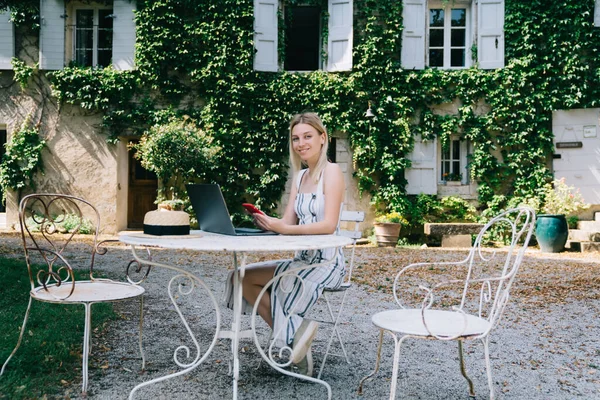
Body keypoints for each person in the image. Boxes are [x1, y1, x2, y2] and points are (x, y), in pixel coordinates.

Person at [240, 112, 346, 377]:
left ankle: (293, 337)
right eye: (296, 138)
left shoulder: (332, 172)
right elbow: (288, 222)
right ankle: (297, 333)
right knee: (239, 277)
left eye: (308, 136)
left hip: (328, 262)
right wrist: (265, 220)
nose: (301, 143)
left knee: (274, 288)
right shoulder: (299, 177)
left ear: (323, 138)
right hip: (302, 260)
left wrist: (284, 228)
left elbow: (329, 225)